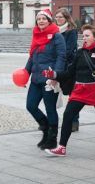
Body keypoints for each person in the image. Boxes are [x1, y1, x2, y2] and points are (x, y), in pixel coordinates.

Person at [43, 24, 95, 156]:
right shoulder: (80, 52)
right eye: (83, 35)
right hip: (79, 89)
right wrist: (54, 75)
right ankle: (62, 147)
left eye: (87, 35)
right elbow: (69, 72)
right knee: (68, 115)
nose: (84, 38)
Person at [25, 9, 66, 150]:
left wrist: (56, 75)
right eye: (39, 19)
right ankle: (45, 129)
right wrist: (25, 73)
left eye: (44, 18)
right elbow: (32, 56)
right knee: (30, 105)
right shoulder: (36, 35)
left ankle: (52, 139)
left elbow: (62, 57)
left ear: (49, 21)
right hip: (36, 78)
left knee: (50, 109)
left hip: (49, 79)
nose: (41, 21)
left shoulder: (57, 36)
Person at [54, 8, 79, 132]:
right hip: (57, 66)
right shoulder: (54, 31)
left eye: (61, 17)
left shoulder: (71, 31)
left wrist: (57, 55)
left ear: (67, 18)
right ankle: (51, 120)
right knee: (52, 92)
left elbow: (69, 50)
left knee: (72, 95)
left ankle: (74, 122)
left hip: (69, 67)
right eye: (57, 17)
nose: (58, 19)